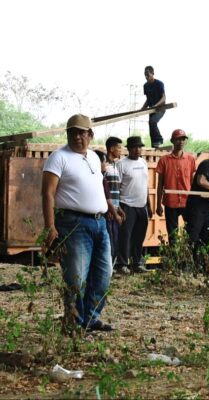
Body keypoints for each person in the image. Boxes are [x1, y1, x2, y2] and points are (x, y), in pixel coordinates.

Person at [41, 114, 114, 332]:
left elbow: (97, 186)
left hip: (100, 223)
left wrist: (109, 206)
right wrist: (50, 226)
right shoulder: (58, 157)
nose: (77, 137)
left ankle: (90, 319)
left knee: (103, 275)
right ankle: (73, 322)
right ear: (67, 134)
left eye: (82, 132)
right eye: (73, 132)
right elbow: (47, 193)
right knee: (76, 277)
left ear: (90, 135)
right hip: (73, 223)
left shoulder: (93, 156)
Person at [116, 136, 150, 274]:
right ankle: (122, 264)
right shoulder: (121, 164)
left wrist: (149, 204)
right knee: (125, 236)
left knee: (139, 236)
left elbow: (145, 185)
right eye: (135, 147)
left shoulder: (143, 162)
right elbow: (116, 187)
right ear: (128, 149)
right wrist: (117, 207)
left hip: (142, 206)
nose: (138, 150)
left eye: (140, 147)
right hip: (127, 205)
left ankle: (137, 263)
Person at [155, 129, 196, 242]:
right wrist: (158, 205)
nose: (181, 141)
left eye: (183, 139)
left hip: (187, 202)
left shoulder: (191, 159)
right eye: (178, 139)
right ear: (172, 141)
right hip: (170, 202)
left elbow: (193, 182)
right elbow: (160, 185)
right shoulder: (164, 160)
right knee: (172, 235)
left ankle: (188, 257)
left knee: (191, 232)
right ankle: (174, 257)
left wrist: (195, 202)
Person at [185, 143, 209, 252]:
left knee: (208, 238)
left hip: (206, 209)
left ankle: (203, 265)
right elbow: (201, 181)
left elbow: (206, 190)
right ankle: (186, 265)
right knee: (192, 238)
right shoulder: (206, 164)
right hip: (196, 209)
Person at [104, 137, 126, 265]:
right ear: (111, 149)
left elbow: (114, 191)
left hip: (114, 211)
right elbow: (104, 192)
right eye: (118, 147)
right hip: (108, 212)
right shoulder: (104, 166)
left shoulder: (115, 166)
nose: (120, 151)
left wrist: (119, 209)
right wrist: (112, 210)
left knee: (115, 242)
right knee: (109, 243)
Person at [141, 65, 166, 148]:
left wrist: (156, 105)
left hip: (160, 108)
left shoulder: (159, 84)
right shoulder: (145, 86)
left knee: (153, 122)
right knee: (151, 125)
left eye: (148, 74)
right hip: (151, 110)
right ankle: (154, 146)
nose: (146, 77)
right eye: (145, 75)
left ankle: (159, 140)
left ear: (153, 73)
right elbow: (148, 100)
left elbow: (164, 97)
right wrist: (142, 109)